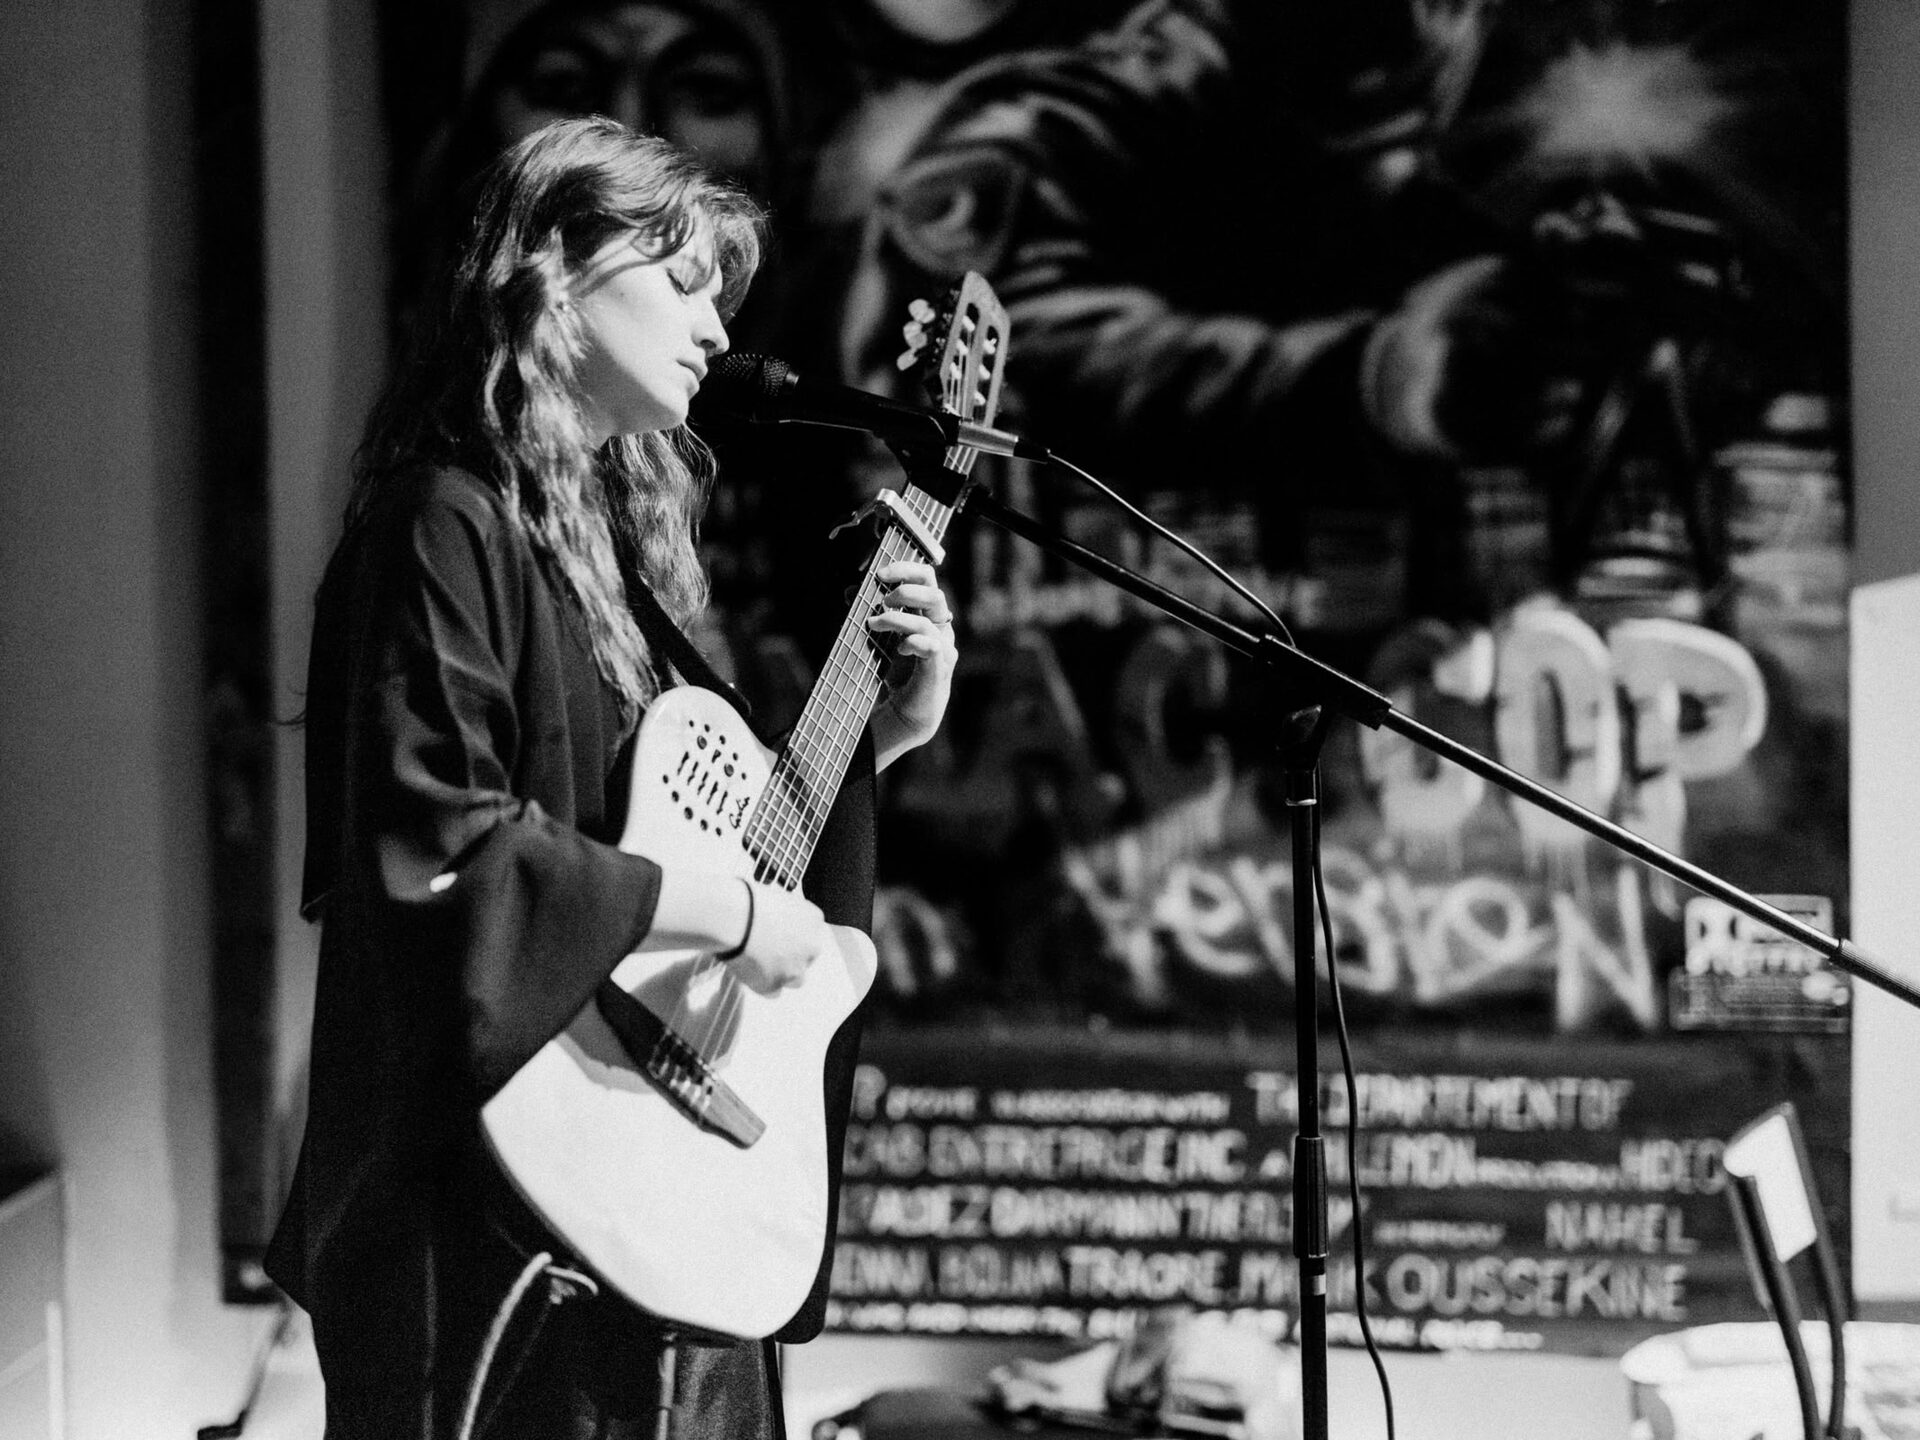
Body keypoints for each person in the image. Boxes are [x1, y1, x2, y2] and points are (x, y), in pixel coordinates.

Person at [265, 115, 958, 1439]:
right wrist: (729, 917)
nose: (717, 325)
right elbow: (447, 852)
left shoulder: (634, 587)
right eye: (683, 277)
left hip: (649, 1215)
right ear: (552, 272)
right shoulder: (440, 522)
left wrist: (881, 741)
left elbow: (751, 884)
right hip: (486, 1232)